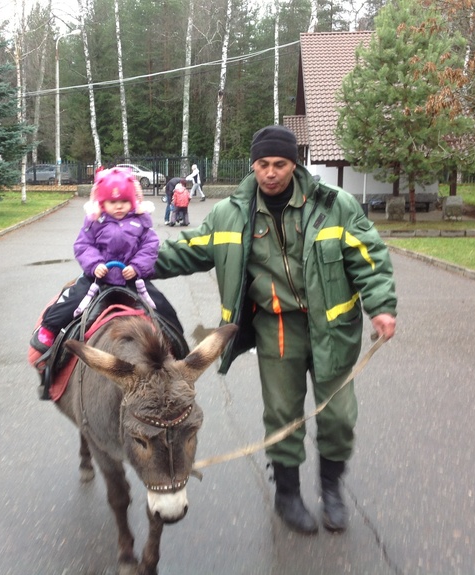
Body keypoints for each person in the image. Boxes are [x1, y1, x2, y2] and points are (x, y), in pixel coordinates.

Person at [154, 125, 397, 534]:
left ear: (294, 163)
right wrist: (132, 262)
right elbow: (188, 250)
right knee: (284, 414)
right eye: (263, 164)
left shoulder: (334, 205)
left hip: (333, 327)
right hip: (277, 328)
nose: (270, 173)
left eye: (279, 164)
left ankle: (332, 489)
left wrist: (382, 307)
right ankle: (287, 494)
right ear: (253, 164)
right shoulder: (230, 212)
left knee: (337, 415)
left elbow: (368, 256)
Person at [33, 167, 182, 359]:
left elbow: (150, 245)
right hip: (98, 278)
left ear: (132, 201)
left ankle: (179, 345)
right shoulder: (94, 221)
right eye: (113, 202)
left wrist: (137, 267)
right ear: (103, 203)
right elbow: (83, 245)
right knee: (72, 299)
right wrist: (95, 265)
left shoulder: (141, 221)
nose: (119, 206)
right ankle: (49, 330)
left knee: (163, 306)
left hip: (132, 279)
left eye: (124, 201)